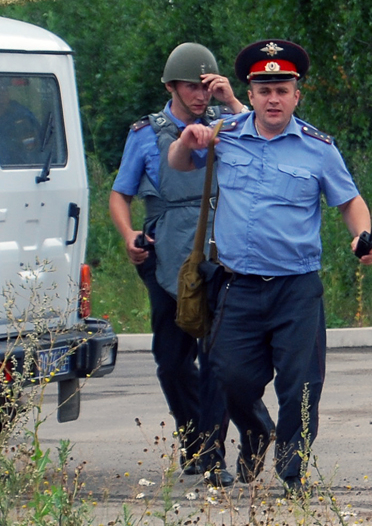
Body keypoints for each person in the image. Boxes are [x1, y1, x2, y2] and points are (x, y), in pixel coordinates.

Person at [167, 38, 372, 496]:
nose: (273, 99)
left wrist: (362, 236)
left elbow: (351, 202)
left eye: (282, 89)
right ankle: (258, 430)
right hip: (238, 286)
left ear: (296, 94)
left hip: (296, 288)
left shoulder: (317, 148)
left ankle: (292, 470)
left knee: (301, 384)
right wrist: (187, 139)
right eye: (264, 90)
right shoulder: (224, 134)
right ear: (251, 92)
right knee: (227, 375)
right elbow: (180, 163)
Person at [109, 42, 269, 487]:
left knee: (216, 356)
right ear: (170, 87)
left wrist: (231, 100)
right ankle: (195, 438)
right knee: (172, 359)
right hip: (166, 253)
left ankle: (213, 453)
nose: (199, 96)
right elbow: (120, 193)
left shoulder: (228, 124)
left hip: (220, 250)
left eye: (205, 87)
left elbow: (263, 145)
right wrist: (128, 237)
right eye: (190, 87)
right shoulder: (146, 132)